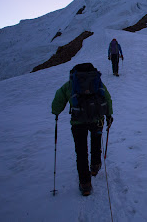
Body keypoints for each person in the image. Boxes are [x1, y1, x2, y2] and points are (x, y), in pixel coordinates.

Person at [51, 63, 113, 196]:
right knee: (96, 143)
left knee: (81, 152)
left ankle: (85, 184)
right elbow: (107, 97)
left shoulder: (71, 84)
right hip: (97, 120)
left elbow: (59, 97)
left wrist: (56, 112)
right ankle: (95, 166)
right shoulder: (97, 82)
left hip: (78, 122)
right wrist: (109, 115)